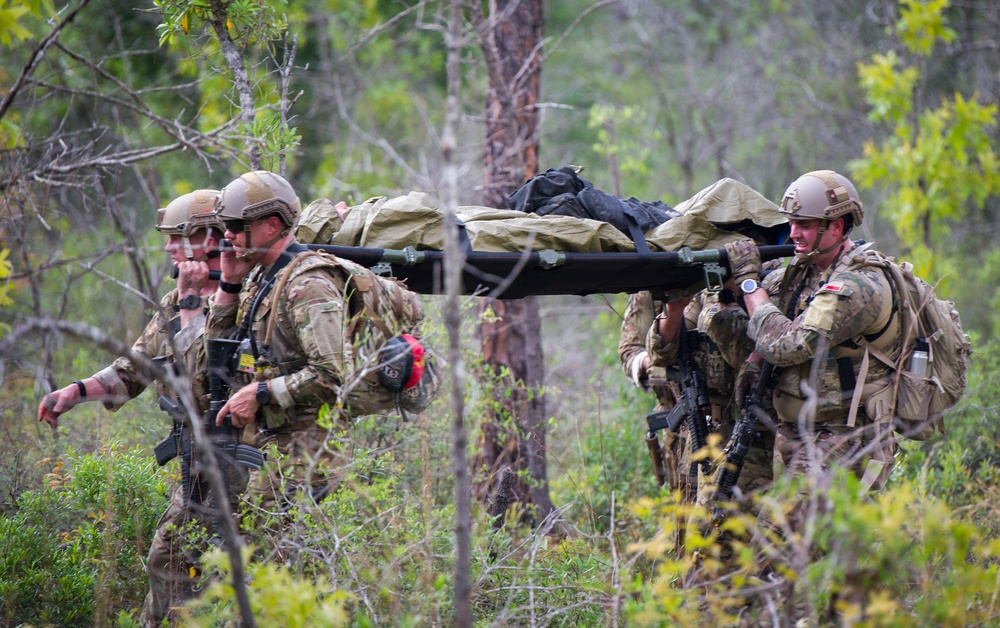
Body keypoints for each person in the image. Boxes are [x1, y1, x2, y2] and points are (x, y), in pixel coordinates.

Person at [37, 189, 245, 627]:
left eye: (177, 237)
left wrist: (192, 301)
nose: (168, 248)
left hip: (244, 470)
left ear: (207, 237)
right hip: (197, 467)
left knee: (229, 576)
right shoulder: (175, 301)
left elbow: (204, 378)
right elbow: (134, 369)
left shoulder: (241, 297)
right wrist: (78, 390)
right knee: (168, 562)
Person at [205, 170, 430, 538]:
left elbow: (330, 374)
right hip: (276, 441)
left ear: (270, 225)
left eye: (233, 224)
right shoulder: (264, 278)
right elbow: (222, 350)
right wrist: (229, 284)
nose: (226, 234)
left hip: (309, 449)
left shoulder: (308, 285)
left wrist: (260, 393)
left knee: (263, 552)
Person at [726, 170, 899, 493]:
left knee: (778, 540)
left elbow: (788, 344)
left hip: (842, 438)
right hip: (798, 435)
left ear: (836, 226)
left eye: (803, 225)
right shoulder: (804, 271)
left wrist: (749, 285)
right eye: (791, 224)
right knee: (813, 543)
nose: (793, 234)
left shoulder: (858, 286)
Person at [619, 290, 683, 489]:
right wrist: (656, 363)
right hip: (680, 422)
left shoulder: (746, 267)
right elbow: (630, 353)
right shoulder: (654, 285)